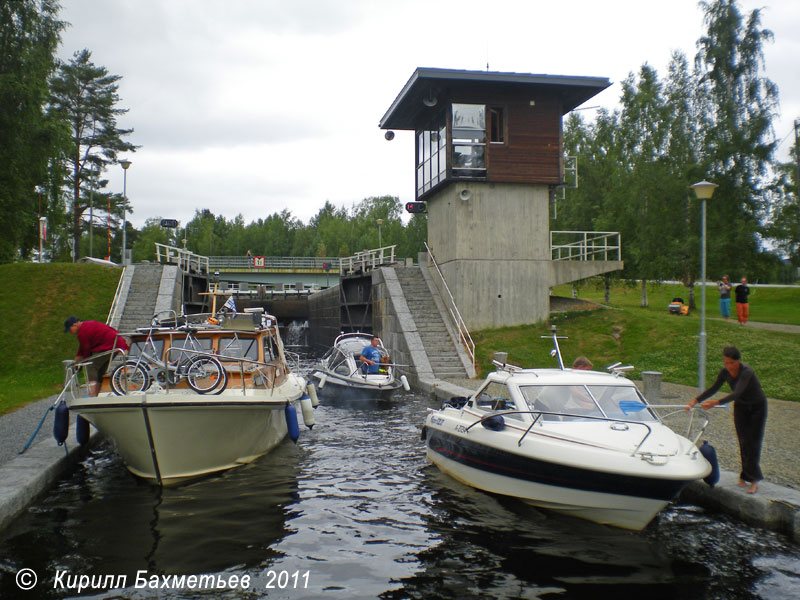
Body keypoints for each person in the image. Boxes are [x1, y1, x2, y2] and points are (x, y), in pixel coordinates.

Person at [686, 346, 767, 494]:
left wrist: (715, 403)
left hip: (757, 407)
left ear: (738, 361)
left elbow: (737, 393)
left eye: (731, 363)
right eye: (726, 363)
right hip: (741, 407)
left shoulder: (746, 372)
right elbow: (714, 388)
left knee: (753, 442)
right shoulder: (724, 372)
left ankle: (754, 480)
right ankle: (744, 475)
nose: (728, 366)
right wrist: (695, 401)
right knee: (742, 441)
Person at [65, 317, 129, 396]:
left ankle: (92, 394)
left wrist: (82, 363)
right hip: (116, 343)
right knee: (100, 370)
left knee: (91, 365)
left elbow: (86, 350)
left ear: (74, 325)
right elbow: (82, 349)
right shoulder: (88, 325)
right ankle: (97, 393)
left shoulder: (82, 332)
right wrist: (77, 362)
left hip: (109, 345)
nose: (70, 332)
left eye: (70, 330)